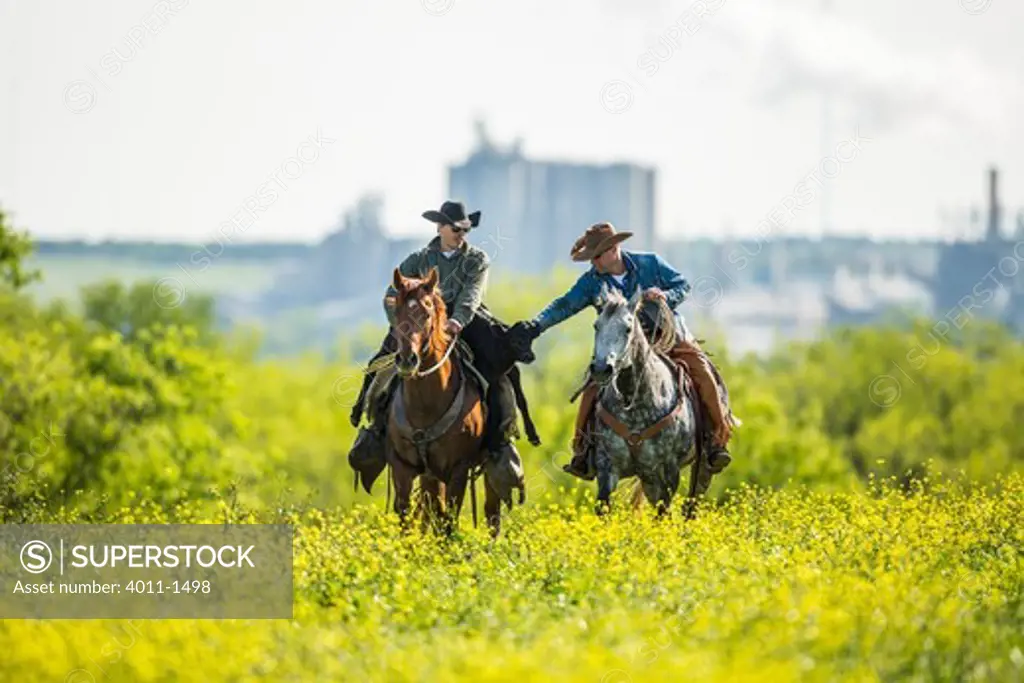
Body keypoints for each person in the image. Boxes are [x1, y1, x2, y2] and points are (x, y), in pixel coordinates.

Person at [512, 222, 736, 480]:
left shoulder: (650, 263)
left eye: (596, 256)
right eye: (590, 257)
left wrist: (664, 295)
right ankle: (583, 452)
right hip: (617, 350)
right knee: (592, 389)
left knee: (703, 373)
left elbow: (682, 285)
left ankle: (716, 441)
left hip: (667, 337)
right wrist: (536, 325)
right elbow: (565, 305)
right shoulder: (591, 282)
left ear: (613, 250)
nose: (593, 262)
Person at [350, 200, 523, 473]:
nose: (462, 234)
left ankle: (500, 444)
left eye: (465, 229)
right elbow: (392, 295)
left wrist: (457, 320)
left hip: (465, 321)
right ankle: (375, 430)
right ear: (440, 227)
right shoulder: (418, 259)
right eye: (456, 229)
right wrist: (399, 324)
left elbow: (472, 295)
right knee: (378, 366)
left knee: (502, 371)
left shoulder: (477, 259)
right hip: (417, 322)